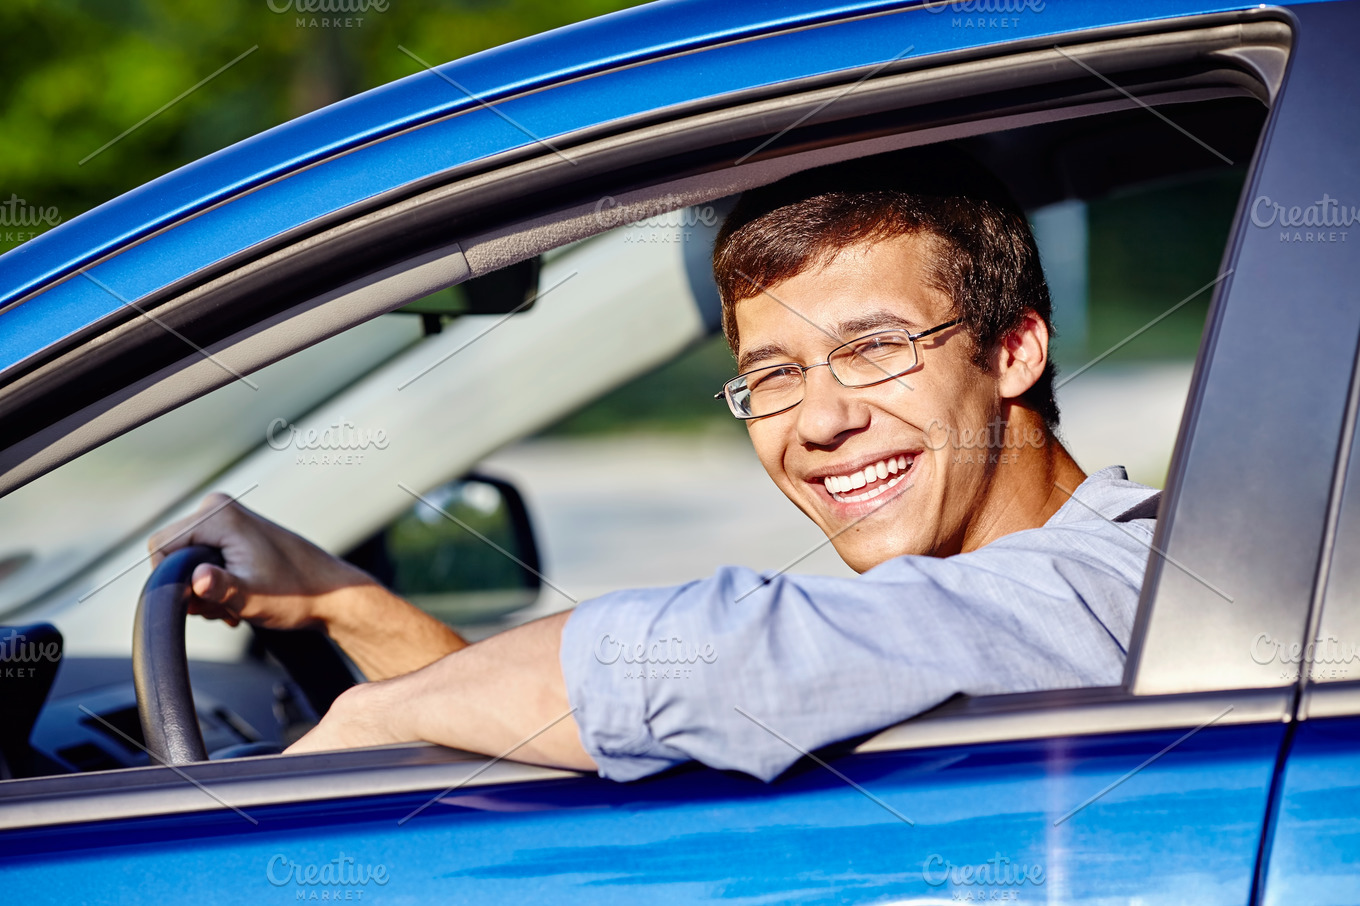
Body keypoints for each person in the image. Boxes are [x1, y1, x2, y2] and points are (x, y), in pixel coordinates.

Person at [148, 147, 1159, 782]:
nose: (818, 421)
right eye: (772, 374)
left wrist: (357, 725)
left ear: (1013, 350)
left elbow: (725, 655)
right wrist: (344, 603)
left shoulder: (1114, 581)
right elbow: (573, 726)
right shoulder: (980, 611)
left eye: (873, 348)